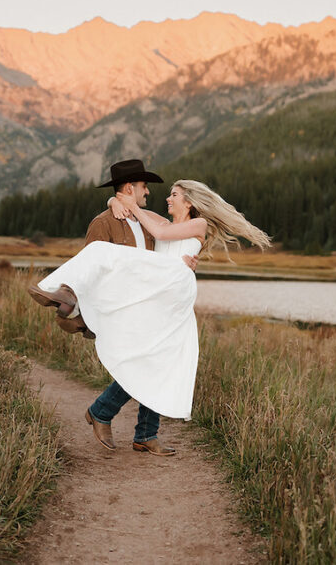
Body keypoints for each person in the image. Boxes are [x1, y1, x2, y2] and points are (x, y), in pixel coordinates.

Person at [29, 159, 271, 456]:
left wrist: (126, 203)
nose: (165, 197)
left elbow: (160, 235)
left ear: (190, 201)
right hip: (156, 294)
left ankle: (129, 424)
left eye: (174, 195)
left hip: (172, 296)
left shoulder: (198, 223)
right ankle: (132, 425)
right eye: (163, 192)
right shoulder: (163, 221)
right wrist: (115, 200)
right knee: (150, 360)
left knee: (154, 361)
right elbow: (150, 223)